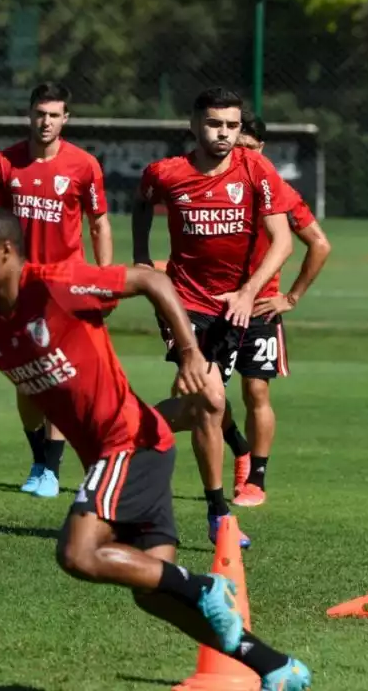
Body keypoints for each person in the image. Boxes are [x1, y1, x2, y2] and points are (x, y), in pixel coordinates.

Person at [0, 206, 312, 691]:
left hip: (129, 441)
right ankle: (275, 665)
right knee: (154, 592)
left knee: (79, 555)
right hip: (131, 449)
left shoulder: (55, 284)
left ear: (6, 252)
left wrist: (190, 352)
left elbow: (152, 282)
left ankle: (205, 586)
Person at [131, 88, 294, 547]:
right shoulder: (167, 174)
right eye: (214, 124)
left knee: (197, 407)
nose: (223, 134)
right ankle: (218, 514)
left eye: (231, 125)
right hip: (188, 305)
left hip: (241, 305)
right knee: (212, 404)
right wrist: (142, 256)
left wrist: (248, 291)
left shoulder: (256, 168)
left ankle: (128, 432)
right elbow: (142, 202)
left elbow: (282, 241)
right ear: (194, 124)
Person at [0, 81, 111, 498]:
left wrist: (105, 279)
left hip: (66, 287)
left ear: (65, 119)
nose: (46, 122)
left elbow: (99, 223)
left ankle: (52, 471)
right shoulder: (5, 163)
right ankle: (39, 459)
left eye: (54, 115)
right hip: (18, 289)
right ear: (29, 115)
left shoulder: (84, 165)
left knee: (60, 378)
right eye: (40, 114)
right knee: (27, 384)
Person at [223, 112, 331, 507]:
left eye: (249, 148)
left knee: (256, 391)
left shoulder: (278, 192)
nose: (242, 155)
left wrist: (291, 297)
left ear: (261, 149)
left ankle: (256, 478)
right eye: (236, 148)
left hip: (260, 310)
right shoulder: (213, 187)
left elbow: (319, 244)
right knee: (206, 395)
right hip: (212, 306)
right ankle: (239, 447)